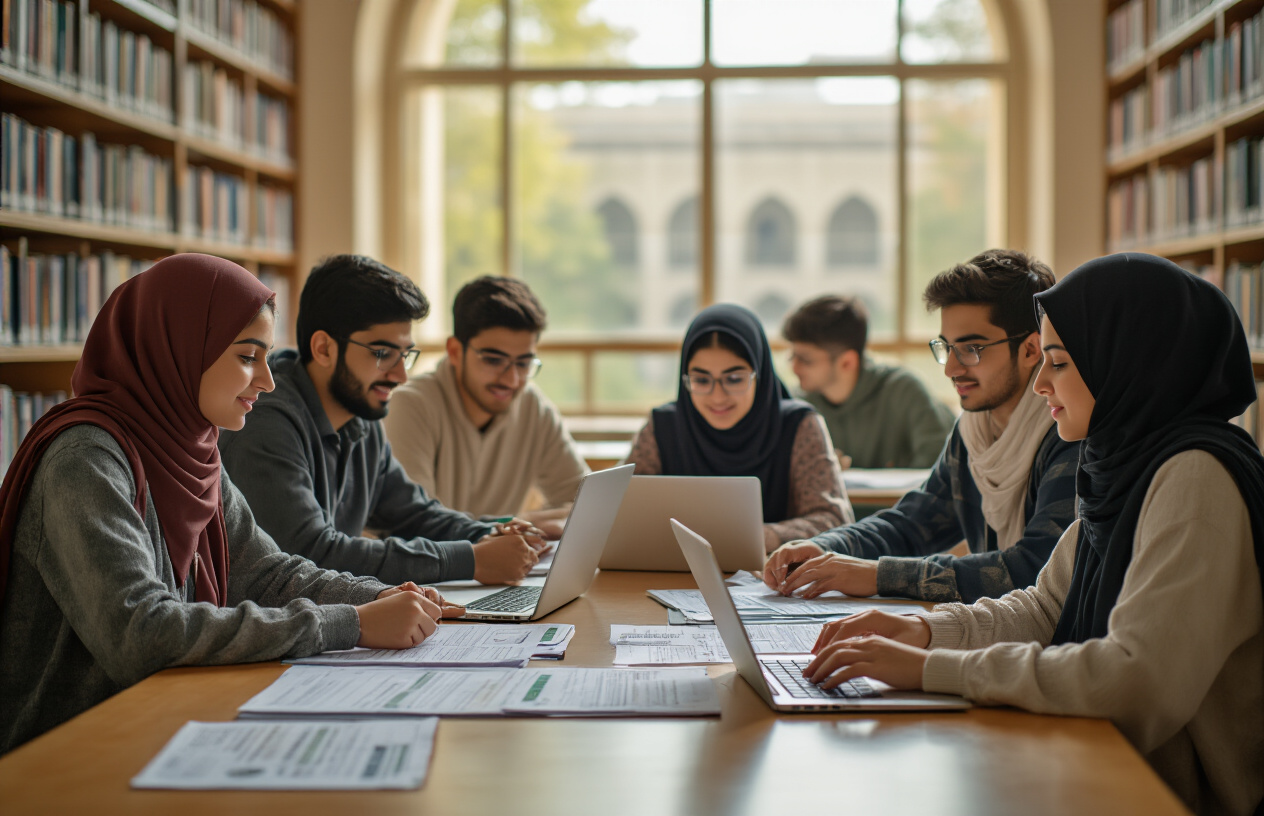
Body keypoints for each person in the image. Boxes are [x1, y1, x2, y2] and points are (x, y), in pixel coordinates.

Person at [803, 253, 1263, 816]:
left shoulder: (1194, 476)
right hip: (1111, 766)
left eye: (1060, 362)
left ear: (1126, 359)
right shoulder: (1123, 463)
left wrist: (931, 669)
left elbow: (1134, 683)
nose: (1041, 383)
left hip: (1177, 795)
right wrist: (921, 631)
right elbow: (1045, 607)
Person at [0, 254, 459, 755]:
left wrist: (382, 596)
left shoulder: (193, 452)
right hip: (67, 754)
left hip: (163, 725)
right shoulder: (86, 460)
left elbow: (269, 574)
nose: (267, 380)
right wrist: (352, 622)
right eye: (247, 356)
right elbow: (143, 633)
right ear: (178, 348)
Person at [764, 249, 1078, 603]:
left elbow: (1033, 569)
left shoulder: (1069, 434)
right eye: (947, 347)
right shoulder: (972, 431)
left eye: (972, 348)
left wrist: (876, 575)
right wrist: (821, 546)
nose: (951, 369)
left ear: (1030, 350)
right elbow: (912, 523)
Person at [219, 255, 544, 587]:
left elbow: (414, 514)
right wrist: (471, 560)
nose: (401, 374)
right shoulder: (265, 420)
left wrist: (494, 534)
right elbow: (309, 554)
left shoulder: (361, 410)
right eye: (382, 353)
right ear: (324, 349)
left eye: (404, 354)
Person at [622, 303, 851, 552]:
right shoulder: (662, 427)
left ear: (759, 374)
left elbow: (836, 522)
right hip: (667, 579)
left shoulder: (799, 426)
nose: (718, 396)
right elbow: (618, 510)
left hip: (775, 580)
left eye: (734, 379)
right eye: (701, 380)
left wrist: (761, 536)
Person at [383, 276, 588, 539]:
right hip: (418, 578)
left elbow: (587, 504)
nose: (512, 380)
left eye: (524, 363)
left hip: (500, 574)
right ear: (455, 352)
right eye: (493, 360)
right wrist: (510, 525)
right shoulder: (409, 406)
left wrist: (520, 523)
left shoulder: (532, 406)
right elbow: (415, 528)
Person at [782, 294, 955, 469]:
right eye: (792, 357)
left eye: (805, 360)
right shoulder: (798, 404)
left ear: (847, 362)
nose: (794, 368)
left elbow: (940, 472)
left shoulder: (904, 391)